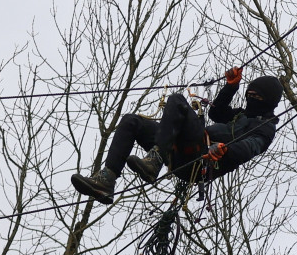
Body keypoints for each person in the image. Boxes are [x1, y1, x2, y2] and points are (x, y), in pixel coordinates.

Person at [70, 67, 283, 205]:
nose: (251, 98)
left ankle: (155, 160)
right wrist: (231, 86)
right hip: (183, 151)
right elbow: (216, 113)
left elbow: (252, 147)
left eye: (257, 96)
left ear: (268, 100)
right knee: (130, 121)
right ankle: (106, 181)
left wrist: (226, 150)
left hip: (201, 159)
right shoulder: (241, 115)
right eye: (249, 94)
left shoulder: (265, 127)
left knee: (177, 101)